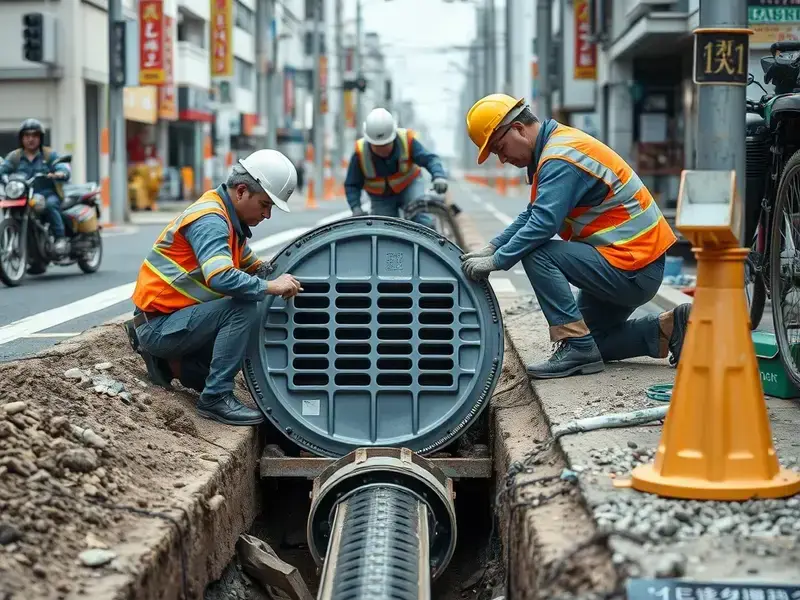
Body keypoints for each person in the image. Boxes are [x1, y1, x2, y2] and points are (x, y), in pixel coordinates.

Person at [462, 93, 692, 379]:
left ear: (519, 129)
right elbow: (532, 214)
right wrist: (491, 247)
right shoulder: (555, 147)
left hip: (632, 265)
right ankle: (670, 327)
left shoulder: (560, 158)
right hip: (628, 261)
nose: (503, 158)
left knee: (537, 252)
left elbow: (543, 225)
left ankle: (574, 345)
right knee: (594, 341)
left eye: (500, 148)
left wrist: (498, 261)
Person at [123, 149, 304, 426]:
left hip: (170, 318)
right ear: (242, 191)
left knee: (219, 360)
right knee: (243, 309)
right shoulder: (212, 220)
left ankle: (169, 364)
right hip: (158, 326)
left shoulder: (232, 222)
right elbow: (221, 277)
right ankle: (216, 398)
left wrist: (277, 276)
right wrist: (270, 286)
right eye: (265, 204)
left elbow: (254, 267)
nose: (267, 215)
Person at [345, 107, 448, 228]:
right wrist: (356, 208)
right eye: (377, 146)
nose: (382, 149)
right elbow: (352, 184)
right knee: (383, 229)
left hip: (409, 186)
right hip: (381, 197)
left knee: (421, 219)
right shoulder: (360, 153)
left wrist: (439, 176)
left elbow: (430, 159)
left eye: (385, 145)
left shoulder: (407, 140)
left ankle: (431, 243)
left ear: (393, 137)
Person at [0, 119, 71, 256]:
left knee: (50, 205)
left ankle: (60, 237)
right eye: (27, 136)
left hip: (45, 194)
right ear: (21, 138)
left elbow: (62, 166)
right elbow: (2, 170)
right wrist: (5, 179)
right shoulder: (15, 156)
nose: (30, 139)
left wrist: (59, 173)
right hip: (22, 195)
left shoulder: (49, 154)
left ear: (40, 138)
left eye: (34, 135)